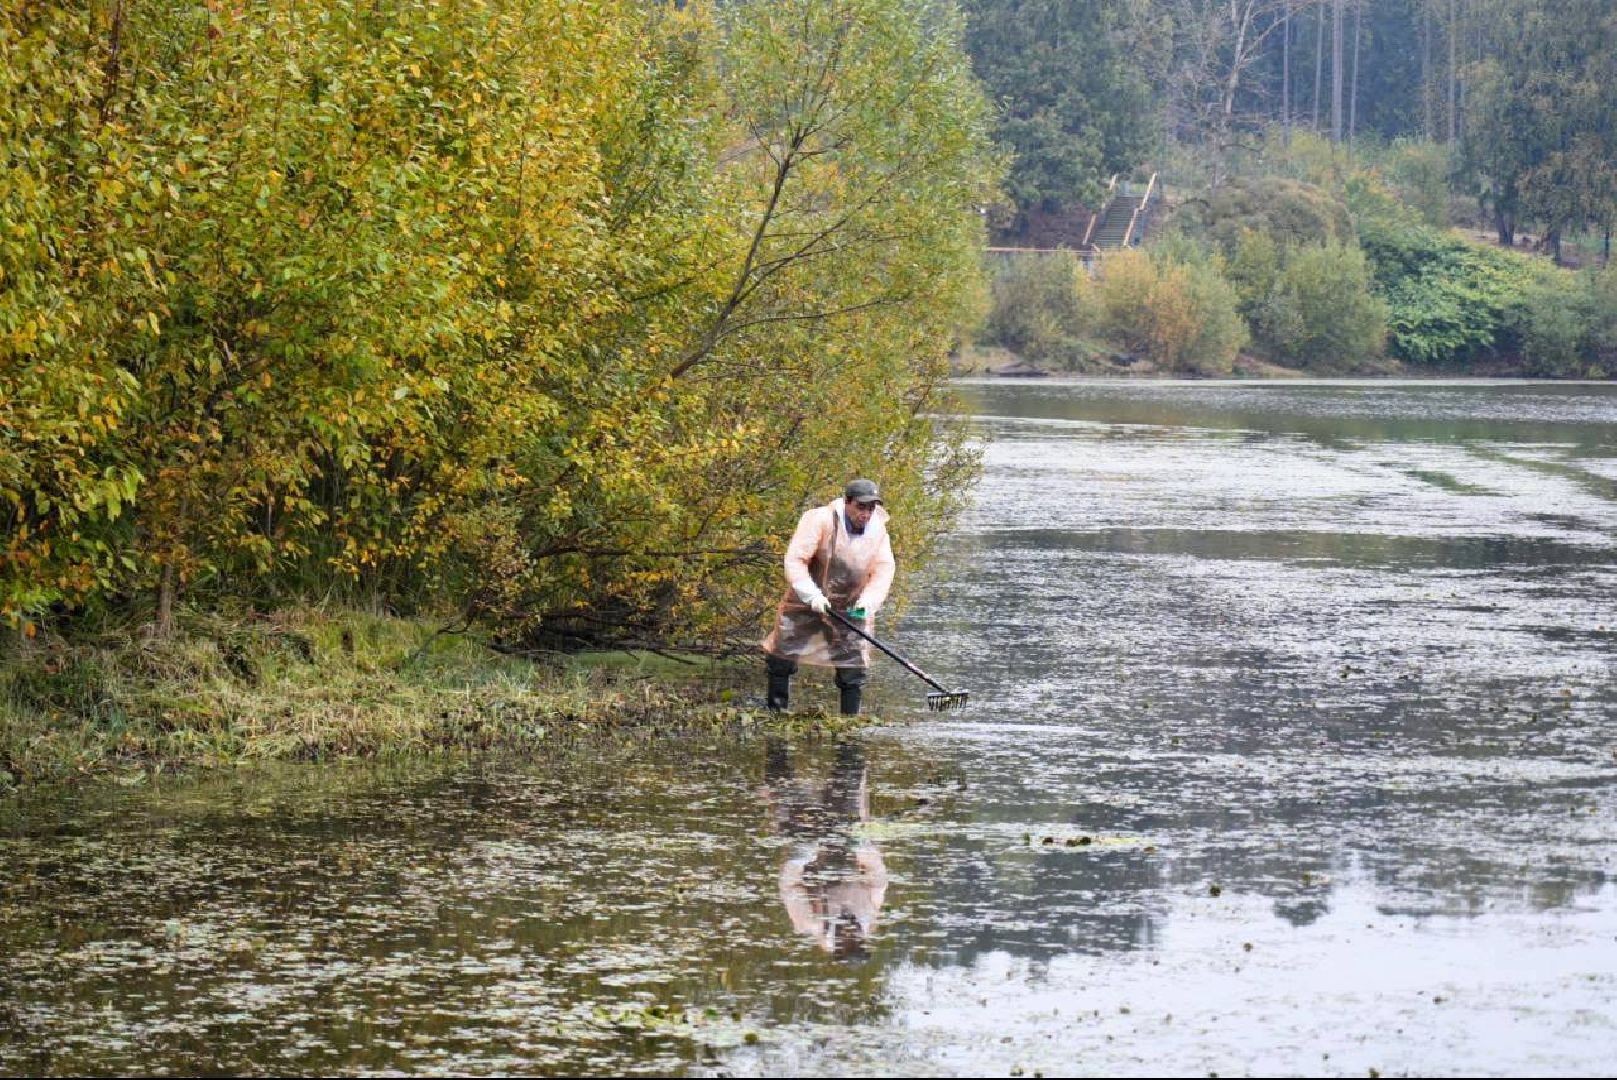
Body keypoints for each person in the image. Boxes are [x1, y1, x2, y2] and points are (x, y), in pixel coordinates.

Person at [761, 478, 895, 716]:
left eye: (871, 508)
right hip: (806, 600)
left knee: (852, 666)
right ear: (847, 502)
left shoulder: (878, 531)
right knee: (782, 655)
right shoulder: (820, 520)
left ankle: (849, 721)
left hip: (851, 605)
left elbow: (883, 570)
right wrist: (811, 594)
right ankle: (776, 712)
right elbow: (796, 560)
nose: (866, 513)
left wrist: (868, 602)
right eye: (861, 507)